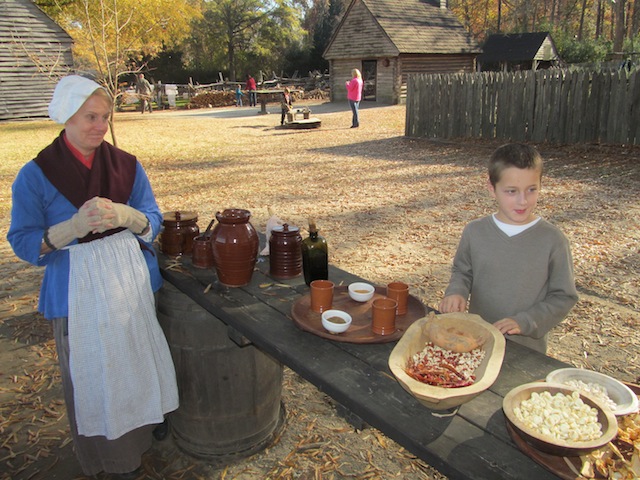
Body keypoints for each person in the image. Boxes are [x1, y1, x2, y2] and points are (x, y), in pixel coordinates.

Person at [7, 75, 179, 479]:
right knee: (96, 379)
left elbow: (153, 220)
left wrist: (126, 215)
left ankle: (146, 428)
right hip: (76, 295)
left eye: (105, 117)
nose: (100, 127)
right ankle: (114, 462)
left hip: (131, 285)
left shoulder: (126, 165)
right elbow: (22, 242)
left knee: (137, 361)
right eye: (90, 117)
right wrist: (71, 228)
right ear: (66, 117)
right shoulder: (35, 175)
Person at [438, 143, 578, 354]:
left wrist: (526, 321)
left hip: (526, 351)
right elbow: (462, 272)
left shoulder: (553, 240)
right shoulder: (475, 232)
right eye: (511, 191)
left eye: (532, 190)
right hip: (476, 342)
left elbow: (564, 296)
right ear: (492, 189)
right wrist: (456, 292)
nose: (523, 201)